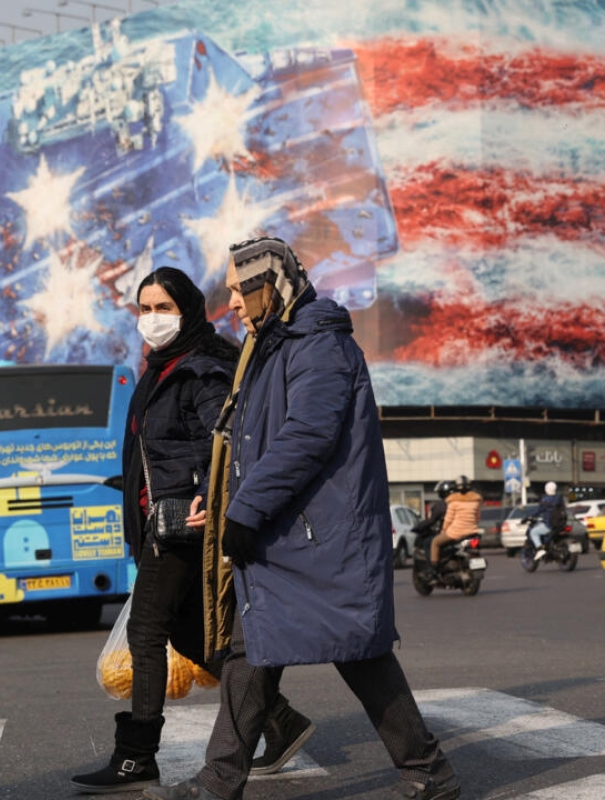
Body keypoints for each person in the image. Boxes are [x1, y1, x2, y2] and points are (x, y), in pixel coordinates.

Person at [144, 237, 460, 800]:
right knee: (250, 651)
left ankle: (429, 772)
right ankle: (219, 781)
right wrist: (223, 502)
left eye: (239, 290)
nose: (231, 303)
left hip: (321, 535)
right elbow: (249, 446)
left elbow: (307, 437)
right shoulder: (268, 346)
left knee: (359, 653)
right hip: (284, 533)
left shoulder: (318, 345)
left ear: (268, 286)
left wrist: (246, 510)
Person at [72, 267, 312, 793]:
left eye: (164, 308)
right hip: (162, 523)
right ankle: (279, 718)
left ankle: (136, 756)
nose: (152, 318)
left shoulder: (200, 369)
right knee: (191, 635)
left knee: (146, 632)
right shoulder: (159, 370)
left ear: (188, 311)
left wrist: (207, 490)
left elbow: (224, 439)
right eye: (144, 308)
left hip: (184, 524)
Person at [428, 475, 481, 576]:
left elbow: (448, 520)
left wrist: (443, 530)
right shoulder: (476, 502)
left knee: (435, 542)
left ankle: (434, 570)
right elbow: (477, 518)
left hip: (455, 533)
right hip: (472, 533)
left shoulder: (453, 502)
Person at [528, 482, 567, 559]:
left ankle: (540, 549)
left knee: (533, 532)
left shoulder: (545, 500)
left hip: (550, 524)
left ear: (546, 489)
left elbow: (539, 511)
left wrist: (530, 516)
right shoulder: (559, 498)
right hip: (561, 524)